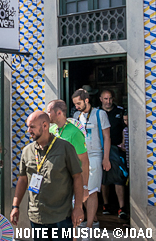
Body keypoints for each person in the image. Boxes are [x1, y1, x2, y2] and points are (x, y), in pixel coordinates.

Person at [10, 111, 84, 241]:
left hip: (60, 217)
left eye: (32, 127)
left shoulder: (65, 148)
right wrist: (15, 206)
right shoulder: (27, 151)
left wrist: (78, 207)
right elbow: (22, 179)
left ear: (45, 126)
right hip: (36, 217)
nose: (28, 131)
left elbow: (77, 177)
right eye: (28, 126)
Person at [72, 88, 110, 229]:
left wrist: (106, 158)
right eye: (75, 104)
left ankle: (88, 227)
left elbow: (107, 137)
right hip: (80, 156)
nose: (76, 106)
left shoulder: (100, 114)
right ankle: (93, 219)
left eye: (78, 103)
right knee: (82, 190)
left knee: (91, 190)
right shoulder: (76, 116)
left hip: (95, 155)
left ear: (86, 100)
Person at [46, 100, 90, 202]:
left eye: (49, 112)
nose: (47, 114)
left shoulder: (74, 133)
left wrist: (84, 187)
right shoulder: (51, 131)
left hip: (70, 184)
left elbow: (84, 161)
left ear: (59, 113)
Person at [98, 89, 126, 219]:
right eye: (105, 99)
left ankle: (122, 207)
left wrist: (124, 143)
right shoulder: (96, 113)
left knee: (119, 178)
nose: (108, 101)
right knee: (104, 179)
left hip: (116, 149)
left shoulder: (120, 111)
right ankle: (106, 204)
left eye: (110, 99)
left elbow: (125, 128)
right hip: (101, 149)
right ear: (100, 99)